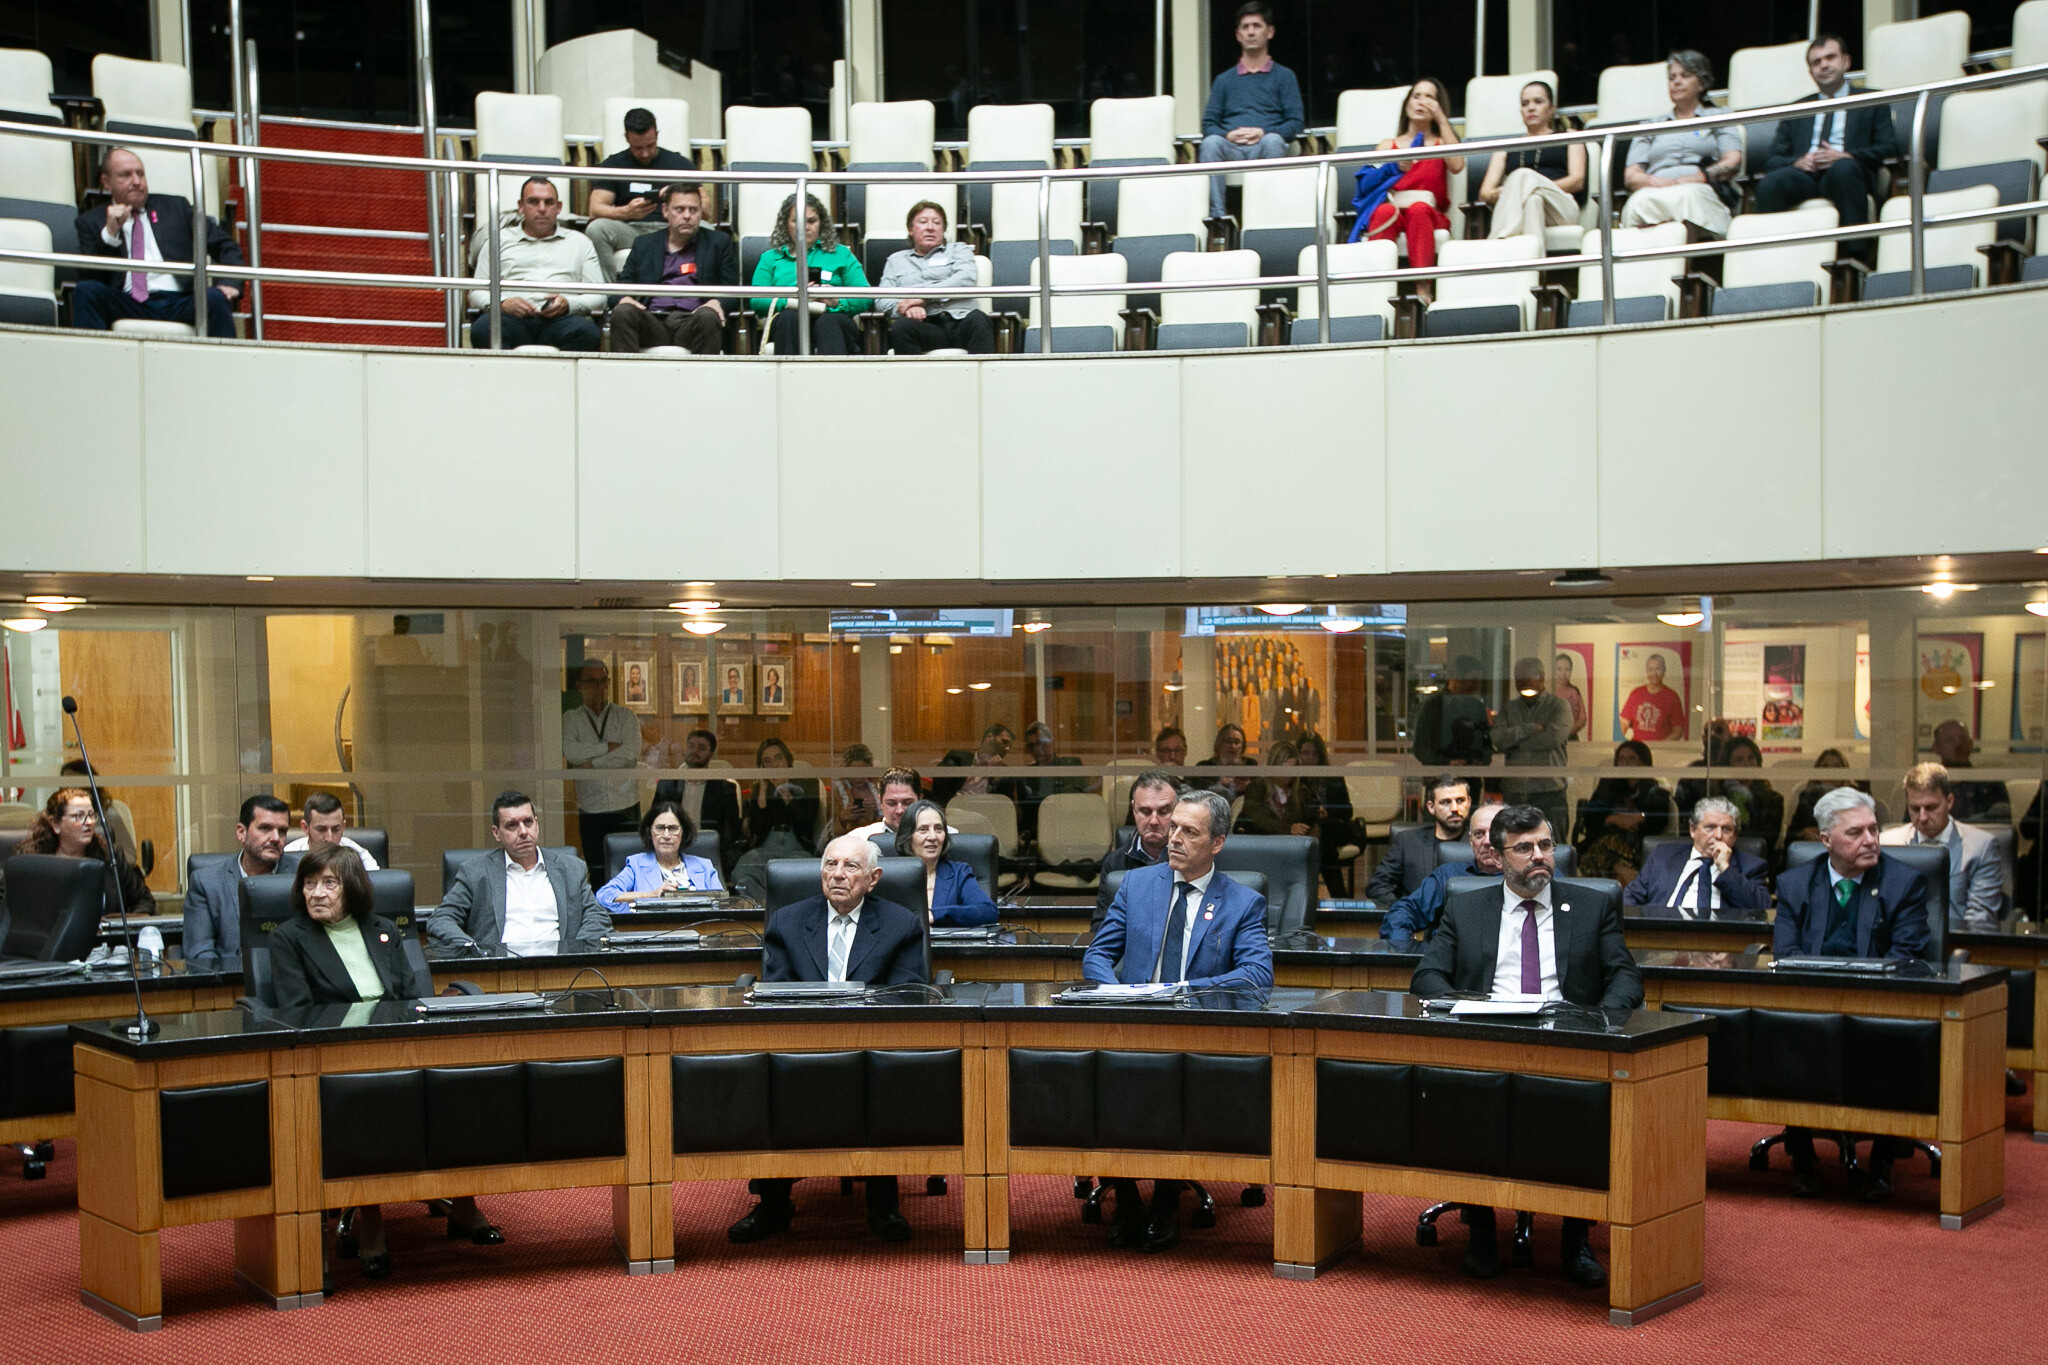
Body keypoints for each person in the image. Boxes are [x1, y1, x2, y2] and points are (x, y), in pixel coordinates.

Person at [1410, 804, 1640, 1285]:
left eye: (1545, 845)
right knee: (1470, 1094)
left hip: (1570, 1042)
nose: (1539, 856)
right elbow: (1428, 976)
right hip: (1488, 1039)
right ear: (1496, 856)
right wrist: (1464, 1012)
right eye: (1525, 848)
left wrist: (1598, 1025)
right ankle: (1481, 1233)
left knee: (1582, 1102)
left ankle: (1576, 1239)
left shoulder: (1593, 904)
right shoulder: (1466, 907)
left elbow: (1624, 978)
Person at [271, 845, 502, 1275]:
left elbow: (408, 998)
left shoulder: (382, 931)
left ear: (352, 888)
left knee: (463, 1085)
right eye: (309, 883)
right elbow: (297, 1012)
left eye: (329, 883)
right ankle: (371, 1218)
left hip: (398, 1047)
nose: (316, 893)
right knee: (371, 1099)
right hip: (336, 1059)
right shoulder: (289, 938)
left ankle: (464, 1202)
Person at [1084, 789, 1274, 1253]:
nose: (1174, 839)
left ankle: (1166, 1202)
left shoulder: (1242, 902)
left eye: (1189, 832)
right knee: (1106, 1072)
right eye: (1174, 828)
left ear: (1217, 843)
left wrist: (1184, 990)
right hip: (1131, 1025)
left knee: (1174, 1077)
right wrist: (1116, 994)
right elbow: (1097, 956)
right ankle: (1126, 1200)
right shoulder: (1136, 885)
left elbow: (1256, 977)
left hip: (1194, 1032)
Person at [730, 835, 926, 1245]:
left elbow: (906, 996)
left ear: (874, 878)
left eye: (850, 866)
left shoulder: (900, 924)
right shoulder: (787, 921)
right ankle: (774, 1204)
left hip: (872, 1046)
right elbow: (776, 995)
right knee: (770, 1071)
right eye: (830, 865)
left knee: (886, 1072)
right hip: (800, 1046)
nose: (837, 874)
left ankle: (883, 1203)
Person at [1772, 787, 1931, 1199]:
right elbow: (1786, 955)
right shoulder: (1795, 884)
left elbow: (1905, 957)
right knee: (1788, 1029)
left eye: (1874, 829)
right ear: (1826, 840)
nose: (1871, 840)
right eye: (1856, 832)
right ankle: (1802, 1157)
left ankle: (1882, 1162)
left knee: (1888, 1038)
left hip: (1880, 1006)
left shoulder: (1904, 883)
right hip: (1813, 1006)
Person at [1755, 35, 1897, 263]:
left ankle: (1856, 261)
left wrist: (1846, 156)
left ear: (1846, 62)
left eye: (1830, 58)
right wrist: (1797, 162)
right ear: (1811, 72)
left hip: (1849, 174)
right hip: (1805, 177)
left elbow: (1889, 148)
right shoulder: (1797, 108)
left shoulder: (1873, 100)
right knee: (1770, 184)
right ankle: (1771, 259)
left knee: (1844, 169)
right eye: (1816, 62)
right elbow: (1773, 159)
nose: (1824, 65)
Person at [72, 148, 242, 338]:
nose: (136, 181)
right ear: (106, 182)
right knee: (86, 291)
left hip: (179, 300)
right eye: (125, 175)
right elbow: (88, 276)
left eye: (140, 173)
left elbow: (226, 246)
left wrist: (229, 282)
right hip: (127, 301)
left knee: (215, 299)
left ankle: (226, 359)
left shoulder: (176, 208)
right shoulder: (91, 221)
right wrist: (110, 234)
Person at [427, 791, 610, 951]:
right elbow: (441, 919)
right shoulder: (476, 873)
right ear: (496, 833)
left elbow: (596, 916)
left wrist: (575, 952)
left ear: (537, 824)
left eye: (528, 822)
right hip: (500, 972)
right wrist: (473, 950)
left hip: (559, 970)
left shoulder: (571, 869)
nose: (523, 832)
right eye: (512, 825)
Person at [468, 176, 603, 351]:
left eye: (549, 202)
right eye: (533, 202)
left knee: (588, 333)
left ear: (558, 207)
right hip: (511, 319)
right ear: (521, 206)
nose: (542, 209)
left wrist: (568, 304)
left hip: (562, 320)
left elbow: (599, 296)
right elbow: (476, 291)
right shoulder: (498, 240)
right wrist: (503, 303)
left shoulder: (580, 242)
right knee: (483, 328)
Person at [1358, 79, 1465, 301]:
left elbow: (1457, 165)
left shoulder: (1441, 143)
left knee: (1418, 210)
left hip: (1429, 213)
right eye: (1417, 96)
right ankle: (1375, 289)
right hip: (1395, 208)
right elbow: (1370, 184)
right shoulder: (1387, 145)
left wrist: (1441, 119)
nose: (1422, 101)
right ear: (1407, 105)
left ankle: (1423, 289)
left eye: (1429, 97)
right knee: (1382, 212)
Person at [1198, 3, 1306, 220]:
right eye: (1245, 27)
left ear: (1270, 32)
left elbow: (1296, 123)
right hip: (1231, 148)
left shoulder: (1285, 77)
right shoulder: (1223, 80)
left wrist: (1263, 132)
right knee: (1211, 143)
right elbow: (1208, 124)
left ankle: (1270, 215)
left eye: (1257, 26)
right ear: (1238, 35)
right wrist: (1227, 135)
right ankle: (1217, 219)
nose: (1250, 32)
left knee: (1273, 141)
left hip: (1266, 145)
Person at [1620, 51, 1742, 236]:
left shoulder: (1719, 117)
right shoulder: (1650, 126)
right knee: (1637, 203)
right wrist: (1652, 181)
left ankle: (1687, 256)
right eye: (1672, 78)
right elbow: (1631, 174)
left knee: (1687, 196)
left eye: (1685, 76)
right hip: (1656, 188)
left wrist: (1700, 177)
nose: (1676, 82)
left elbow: (1732, 161)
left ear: (1701, 83)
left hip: (1700, 186)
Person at [610, 183, 737, 355]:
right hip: (653, 321)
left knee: (708, 314)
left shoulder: (719, 243)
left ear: (701, 213)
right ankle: (626, 373)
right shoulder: (644, 244)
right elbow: (619, 288)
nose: (687, 216)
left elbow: (732, 292)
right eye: (679, 209)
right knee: (623, 311)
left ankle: (704, 374)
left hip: (693, 320)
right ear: (665, 211)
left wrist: (718, 302)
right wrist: (624, 298)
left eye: (693, 210)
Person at [1881, 762, 2004, 931]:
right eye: (1915, 809)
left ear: (1950, 801)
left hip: (1957, 941)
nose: (1922, 817)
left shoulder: (1981, 847)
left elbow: (1979, 921)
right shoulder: (1887, 844)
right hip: (1899, 940)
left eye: (1931, 807)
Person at [583, 107, 697, 279]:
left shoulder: (679, 163)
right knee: (596, 229)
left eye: (650, 146)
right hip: (630, 229)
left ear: (656, 135)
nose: (645, 153)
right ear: (627, 138)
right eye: (637, 148)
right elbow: (595, 209)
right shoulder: (613, 164)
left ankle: (698, 288)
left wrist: (676, 194)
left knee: (706, 229)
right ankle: (609, 290)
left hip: (672, 227)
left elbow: (705, 207)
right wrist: (626, 212)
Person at [751, 191, 870, 355]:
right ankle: (790, 372)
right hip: (789, 320)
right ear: (786, 224)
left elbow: (865, 296)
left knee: (829, 322)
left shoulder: (841, 254)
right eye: (797, 221)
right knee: (788, 318)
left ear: (821, 223)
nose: (805, 227)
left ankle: (830, 372)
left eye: (811, 221)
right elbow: (756, 301)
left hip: (832, 317)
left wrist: (836, 301)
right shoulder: (770, 258)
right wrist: (790, 299)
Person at [183, 794, 291, 969]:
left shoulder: (303, 875)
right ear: (241, 832)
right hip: (230, 981)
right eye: (265, 828)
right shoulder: (207, 882)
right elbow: (200, 953)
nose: (275, 838)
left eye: (282, 831)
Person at [1623, 796, 1771, 918]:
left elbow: (1762, 909)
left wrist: (1725, 868)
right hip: (1662, 937)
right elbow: (1630, 897)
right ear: (1693, 830)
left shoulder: (1751, 866)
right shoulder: (1662, 856)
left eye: (1726, 829)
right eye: (1710, 827)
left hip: (1721, 940)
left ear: (1735, 835)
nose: (1718, 835)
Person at [877, 200, 994, 355]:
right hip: (925, 324)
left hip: (962, 320)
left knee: (979, 320)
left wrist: (922, 298)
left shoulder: (959, 249)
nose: (930, 227)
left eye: (937, 223)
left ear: (943, 230)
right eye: (922, 222)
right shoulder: (896, 260)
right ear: (910, 229)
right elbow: (882, 299)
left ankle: (984, 372)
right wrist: (903, 307)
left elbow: (965, 278)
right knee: (901, 327)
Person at [1477, 80, 1586, 241]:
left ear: (1552, 109)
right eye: (1525, 103)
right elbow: (1485, 193)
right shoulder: (1506, 147)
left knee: (1523, 175)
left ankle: (1499, 239)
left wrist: (1527, 184)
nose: (1531, 108)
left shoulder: (1570, 137)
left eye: (1538, 101)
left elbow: (1577, 181)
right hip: (1525, 205)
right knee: (1532, 201)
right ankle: (1534, 256)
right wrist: (1515, 189)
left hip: (1561, 206)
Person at [562, 659, 643, 876]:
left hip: (625, 805)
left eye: (603, 681)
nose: (599, 687)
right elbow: (571, 752)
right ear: (580, 685)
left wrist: (593, 763)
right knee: (597, 871)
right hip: (591, 807)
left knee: (630, 872)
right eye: (592, 681)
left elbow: (630, 754)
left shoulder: (625, 716)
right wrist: (608, 747)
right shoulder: (571, 719)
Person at [1380, 801, 1504, 941]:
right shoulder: (1447, 875)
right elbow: (1402, 914)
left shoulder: (1519, 878)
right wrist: (1404, 948)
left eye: (1494, 833)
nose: (1487, 841)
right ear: (1471, 841)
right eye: (1479, 834)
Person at [20, 787, 153, 916]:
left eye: (91, 815)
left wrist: (123, 925)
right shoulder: (35, 863)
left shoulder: (110, 855)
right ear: (55, 824)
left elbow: (144, 900)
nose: (89, 822)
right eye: (78, 816)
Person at [1492, 655, 1574, 841]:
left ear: (1541, 677)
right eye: (1518, 680)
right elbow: (1497, 739)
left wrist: (1514, 742)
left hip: (1549, 790)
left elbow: (1552, 739)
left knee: (1552, 843)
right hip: (1515, 790)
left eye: (1527, 679)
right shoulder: (1509, 708)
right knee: (1513, 843)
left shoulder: (1559, 706)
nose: (1522, 684)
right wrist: (1529, 728)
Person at [1573, 740, 1676, 883]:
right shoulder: (1607, 786)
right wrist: (1614, 819)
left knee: (1610, 860)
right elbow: (1590, 817)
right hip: (1602, 842)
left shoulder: (1654, 791)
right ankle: (1632, 882)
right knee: (1607, 847)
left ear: (1643, 763)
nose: (1625, 763)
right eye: (1621, 759)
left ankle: (1626, 880)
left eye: (1631, 759)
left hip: (1637, 847)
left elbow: (1658, 821)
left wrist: (1639, 817)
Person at [595, 801, 724, 910]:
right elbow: (604, 896)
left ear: (683, 833)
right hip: (653, 929)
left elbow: (722, 904)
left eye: (673, 828)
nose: (666, 835)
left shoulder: (704, 865)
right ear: (649, 832)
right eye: (660, 828)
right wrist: (651, 895)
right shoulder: (636, 865)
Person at [1368, 772, 1475, 903]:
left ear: (1469, 802)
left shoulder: (1480, 844)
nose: (1454, 808)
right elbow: (1378, 886)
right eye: (1445, 802)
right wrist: (1405, 911)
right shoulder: (1408, 842)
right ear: (1431, 807)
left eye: (1460, 801)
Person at [1096, 770, 1179, 930]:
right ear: (1134, 809)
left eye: (1163, 811)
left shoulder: (1193, 859)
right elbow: (1101, 926)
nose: (1154, 821)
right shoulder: (1115, 862)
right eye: (1145, 811)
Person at [1677, 736, 1784, 859]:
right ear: (1728, 765)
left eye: (1751, 758)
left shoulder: (1773, 800)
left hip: (1753, 859)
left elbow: (1765, 842)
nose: (1747, 764)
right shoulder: (1715, 798)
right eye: (1739, 760)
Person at [896, 799, 998, 925]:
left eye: (938, 829)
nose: (933, 837)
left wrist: (935, 915)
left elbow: (988, 912)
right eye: (923, 829)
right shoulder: (892, 875)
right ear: (907, 836)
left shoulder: (958, 873)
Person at [652, 728, 743, 868]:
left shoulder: (725, 789)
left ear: (711, 754)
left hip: (709, 850)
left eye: (701, 748)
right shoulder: (667, 785)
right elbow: (654, 823)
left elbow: (733, 831)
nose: (694, 751)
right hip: (673, 849)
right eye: (691, 746)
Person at [1292, 731, 1362, 898]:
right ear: (1298, 754)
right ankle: (1340, 897)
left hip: (1335, 828)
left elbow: (1347, 811)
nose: (1310, 758)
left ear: (1321, 755)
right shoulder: (1295, 779)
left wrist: (1328, 812)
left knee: (1321, 829)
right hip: (1311, 831)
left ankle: (1306, 895)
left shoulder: (1332, 777)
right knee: (1325, 846)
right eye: (1306, 753)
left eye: (1314, 753)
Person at [742, 736, 819, 852]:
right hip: (766, 848)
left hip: (799, 846)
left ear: (788, 760)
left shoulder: (808, 784)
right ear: (762, 767)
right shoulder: (760, 788)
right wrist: (762, 791)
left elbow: (805, 824)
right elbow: (756, 830)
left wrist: (783, 790)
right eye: (767, 761)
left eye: (778, 758)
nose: (774, 765)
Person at [1411, 656, 1491, 765]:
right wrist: (1446, 763)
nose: (1476, 685)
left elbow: (1485, 744)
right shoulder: (1433, 705)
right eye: (1472, 680)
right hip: (1440, 773)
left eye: (1478, 680)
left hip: (1468, 772)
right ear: (1456, 676)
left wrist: (1481, 760)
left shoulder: (1477, 707)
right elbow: (1421, 748)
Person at [1931, 720, 2011, 824]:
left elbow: (2001, 825)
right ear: (1936, 747)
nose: (1958, 745)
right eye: (1950, 740)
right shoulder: (1928, 785)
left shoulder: (1990, 784)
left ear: (1971, 744)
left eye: (1963, 738)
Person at [1786, 748, 1874, 842]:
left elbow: (1868, 834)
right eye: (1825, 767)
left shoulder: (1857, 798)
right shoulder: (1807, 797)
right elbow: (1788, 838)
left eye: (1837, 767)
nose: (1831, 772)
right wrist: (1803, 833)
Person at [281, 792, 380, 869]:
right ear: (305, 828)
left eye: (336, 829)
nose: (329, 838)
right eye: (321, 829)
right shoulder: (287, 856)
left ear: (343, 826)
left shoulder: (358, 855)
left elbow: (377, 884)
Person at [846, 766, 936, 842]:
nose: (899, 810)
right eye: (892, 803)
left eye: (907, 803)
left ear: (920, 800)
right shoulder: (860, 839)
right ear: (880, 801)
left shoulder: (938, 838)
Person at [827, 744, 882, 841]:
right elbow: (829, 827)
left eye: (863, 772)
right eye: (854, 772)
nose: (858, 778)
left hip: (876, 838)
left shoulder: (877, 788)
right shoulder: (837, 791)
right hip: (846, 840)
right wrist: (842, 818)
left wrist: (877, 811)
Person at [1196, 723, 1256, 797]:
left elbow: (1260, 790)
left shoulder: (1250, 764)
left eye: (1237, 742)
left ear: (1243, 746)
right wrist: (1218, 785)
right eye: (1228, 742)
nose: (1233, 746)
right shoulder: (1204, 766)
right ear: (1219, 744)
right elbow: (1197, 790)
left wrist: (1248, 786)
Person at [1553, 653, 1587, 740]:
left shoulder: (1574, 691)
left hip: (1571, 738)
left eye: (1567, 669)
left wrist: (1568, 731)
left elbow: (1582, 719)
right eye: (1559, 669)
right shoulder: (1548, 690)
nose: (1563, 673)